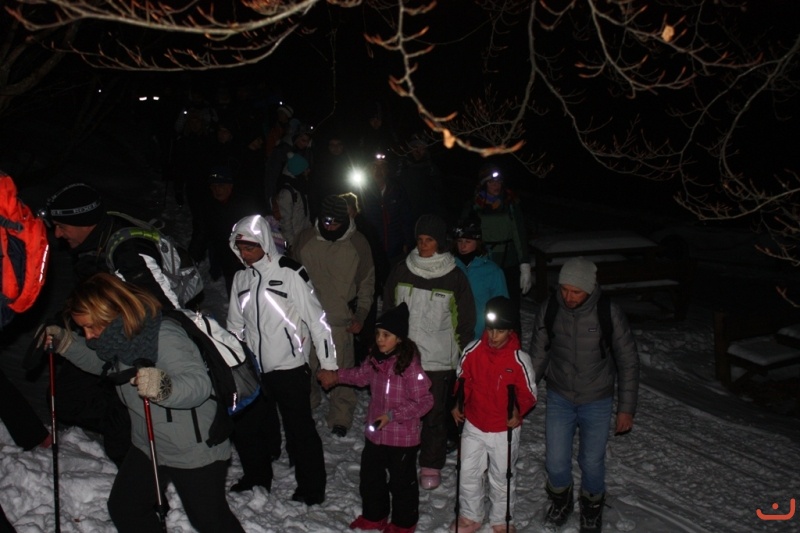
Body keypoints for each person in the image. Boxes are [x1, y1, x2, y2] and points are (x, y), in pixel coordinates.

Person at [40, 273, 244, 533]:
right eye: (83, 330)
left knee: (210, 521)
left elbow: (198, 384)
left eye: (91, 327)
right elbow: (104, 364)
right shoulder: (116, 338)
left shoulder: (163, 335)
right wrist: (67, 343)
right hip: (148, 442)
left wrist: (163, 387)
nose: (88, 336)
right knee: (127, 508)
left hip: (192, 449)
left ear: (113, 313)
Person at [36, 183, 185, 466]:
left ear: (83, 221)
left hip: (136, 347)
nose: (58, 234)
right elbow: (92, 295)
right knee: (67, 397)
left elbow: (165, 310)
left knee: (117, 426)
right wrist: (63, 322)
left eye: (62, 226)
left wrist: (145, 359)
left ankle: (138, 456)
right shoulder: (94, 244)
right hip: (109, 337)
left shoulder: (128, 252)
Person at [226, 214, 336, 504]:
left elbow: (317, 321)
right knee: (250, 427)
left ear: (264, 243)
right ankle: (256, 477)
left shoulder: (290, 272)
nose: (244, 253)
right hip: (255, 369)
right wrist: (234, 359)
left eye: (250, 247)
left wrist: (328, 364)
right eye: (240, 248)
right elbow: (235, 326)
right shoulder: (241, 279)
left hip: (289, 367)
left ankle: (311, 488)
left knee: (299, 430)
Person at [528, 257, 640, 533]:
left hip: (597, 398)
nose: (569, 297)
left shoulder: (608, 312)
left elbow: (628, 361)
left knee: (591, 460)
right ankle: (561, 500)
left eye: (576, 292)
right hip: (560, 395)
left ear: (590, 289)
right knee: (555, 460)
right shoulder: (550, 309)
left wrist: (626, 409)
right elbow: (538, 355)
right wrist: (524, 393)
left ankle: (591, 508)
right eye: (564, 289)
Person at [318, 303, 433, 533]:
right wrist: (336, 376)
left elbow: (425, 401)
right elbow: (360, 376)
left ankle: (403, 523)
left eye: (386, 335)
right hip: (377, 433)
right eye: (378, 333)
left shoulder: (410, 366)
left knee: (401, 482)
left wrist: (393, 415)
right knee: (371, 477)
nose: (380, 339)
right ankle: (374, 515)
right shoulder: (375, 358)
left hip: (402, 437)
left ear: (399, 338)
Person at [382, 214, 476, 490]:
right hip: (405, 357)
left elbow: (465, 321)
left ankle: (430, 463)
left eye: (430, 240)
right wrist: (387, 346)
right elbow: (388, 310)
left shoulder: (455, 277)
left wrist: (463, 356)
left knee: (434, 415)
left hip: (438, 359)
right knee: (402, 410)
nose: (423, 245)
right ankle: (401, 455)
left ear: (440, 243)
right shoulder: (402, 270)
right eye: (420, 240)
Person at [450, 296, 537, 533]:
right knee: (467, 471)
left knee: (502, 476)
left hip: (503, 429)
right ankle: (471, 515)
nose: (493, 336)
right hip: (474, 423)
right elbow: (463, 381)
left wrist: (518, 410)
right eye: (490, 329)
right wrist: (458, 404)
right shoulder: (473, 351)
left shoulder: (519, 360)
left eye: (500, 331)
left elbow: (529, 394)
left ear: (510, 331)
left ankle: (501, 519)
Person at [293, 195, 375, 437]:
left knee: (341, 370)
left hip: (340, 320)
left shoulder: (358, 243)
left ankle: (341, 415)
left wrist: (360, 315)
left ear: (345, 220)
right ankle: (309, 402)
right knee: (306, 367)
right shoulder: (305, 239)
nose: (329, 227)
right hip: (308, 319)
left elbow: (367, 283)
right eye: (325, 221)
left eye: (335, 222)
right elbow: (290, 276)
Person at [461, 165, 532, 333]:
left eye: (499, 181)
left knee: (510, 306)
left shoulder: (510, 204)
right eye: (491, 182)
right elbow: (465, 232)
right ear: (484, 184)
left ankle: (513, 341)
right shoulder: (476, 205)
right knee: (483, 304)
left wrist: (525, 264)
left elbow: (519, 233)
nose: (496, 185)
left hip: (508, 261)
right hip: (484, 261)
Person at [452, 214, 509, 341]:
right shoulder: (450, 267)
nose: (463, 246)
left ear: (477, 242)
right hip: (452, 334)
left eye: (468, 241)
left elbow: (502, 306)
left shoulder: (492, 271)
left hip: (481, 335)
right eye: (460, 241)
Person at [362, 152, 415, 267]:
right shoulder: (362, 192)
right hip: (372, 249)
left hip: (396, 249)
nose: (378, 170)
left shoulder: (397, 190)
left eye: (382, 166)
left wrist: (407, 242)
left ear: (387, 169)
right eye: (374, 166)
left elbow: (406, 218)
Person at [275, 152, 312, 251]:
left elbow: (305, 212)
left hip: (302, 235)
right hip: (294, 239)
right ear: (299, 172)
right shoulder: (287, 193)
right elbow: (285, 221)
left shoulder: (301, 187)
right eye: (305, 169)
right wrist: (291, 243)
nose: (308, 171)